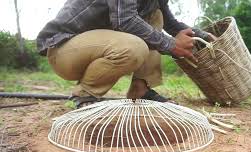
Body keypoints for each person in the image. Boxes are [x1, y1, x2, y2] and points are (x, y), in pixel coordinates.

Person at [37, 0, 214, 107]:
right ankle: (84, 94)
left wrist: (203, 36)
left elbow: (171, 24)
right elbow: (125, 20)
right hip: (64, 49)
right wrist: (171, 44)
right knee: (135, 46)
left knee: (156, 15)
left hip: (98, 46)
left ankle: (140, 90)